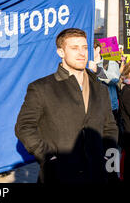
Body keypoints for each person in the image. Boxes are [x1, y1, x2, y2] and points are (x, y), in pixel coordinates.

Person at [15, 28, 118, 184]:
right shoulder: (42, 88)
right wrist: (48, 157)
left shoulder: (100, 88)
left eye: (84, 47)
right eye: (74, 48)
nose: (82, 53)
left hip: (97, 174)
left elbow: (109, 127)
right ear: (61, 52)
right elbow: (24, 127)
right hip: (59, 175)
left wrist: (108, 160)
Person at [88, 39, 121, 118]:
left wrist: (97, 71)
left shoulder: (109, 63)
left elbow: (114, 79)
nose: (87, 52)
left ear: (98, 49)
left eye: (89, 49)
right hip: (90, 108)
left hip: (107, 108)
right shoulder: (84, 64)